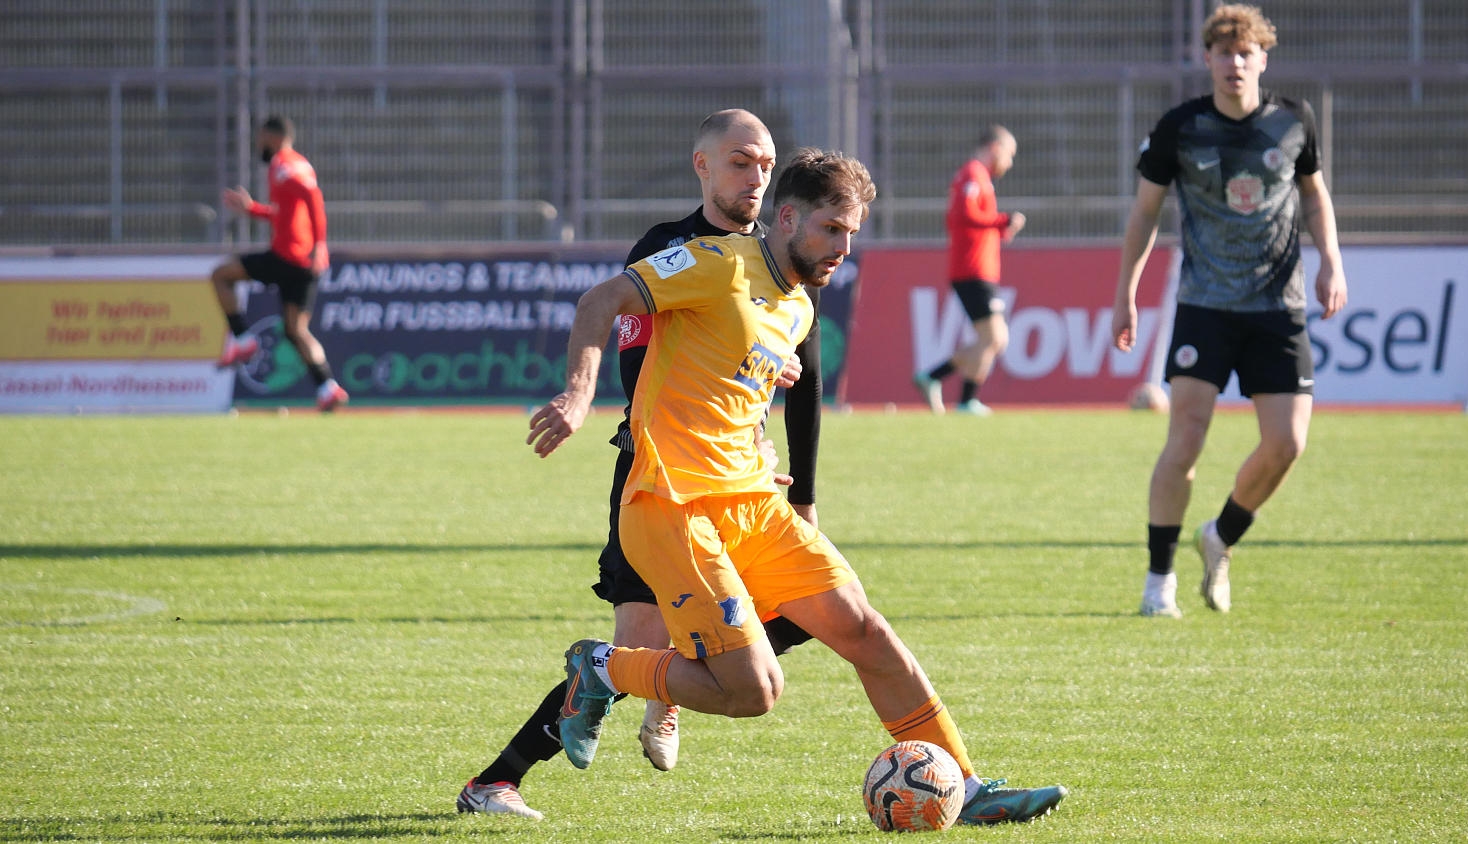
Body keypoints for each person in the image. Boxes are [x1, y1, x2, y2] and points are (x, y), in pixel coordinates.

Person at [528, 148, 1068, 825]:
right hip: (675, 508)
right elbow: (602, 299)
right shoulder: (714, 263)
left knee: (865, 630)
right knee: (755, 691)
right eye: (832, 229)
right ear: (786, 218)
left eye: (852, 234)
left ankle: (966, 782)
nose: (844, 246)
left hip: (755, 506)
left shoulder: (799, 309)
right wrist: (579, 395)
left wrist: (758, 447)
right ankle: (604, 668)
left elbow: (729, 388)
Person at [457, 109, 819, 818]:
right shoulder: (671, 247)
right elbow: (632, 350)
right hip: (665, 475)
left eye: (767, 165)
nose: (757, 178)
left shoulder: (781, 257)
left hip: (747, 482)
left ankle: (674, 684)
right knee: (635, 647)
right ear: (703, 166)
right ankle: (495, 783)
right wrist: (579, 395)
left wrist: (804, 492)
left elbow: (810, 377)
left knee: (811, 609)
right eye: (741, 162)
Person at [1110, 4, 1348, 618]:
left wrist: (1333, 262)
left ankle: (1219, 536)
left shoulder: (1295, 121)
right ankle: (1158, 579)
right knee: (1185, 438)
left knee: (1287, 444)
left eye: (1245, 53)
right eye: (1223, 52)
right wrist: (1126, 294)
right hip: (1205, 307)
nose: (1234, 63)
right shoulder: (1180, 127)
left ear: (1262, 59)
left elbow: (1315, 197)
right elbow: (1143, 214)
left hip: (1278, 305)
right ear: (1208, 59)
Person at [211, 115, 347, 413]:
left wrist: (320, 244)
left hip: (289, 257)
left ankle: (244, 340)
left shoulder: (283, 166)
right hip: (303, 262)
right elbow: (284, 213)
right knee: (296, 329)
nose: (258, 144)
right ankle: (328, 388)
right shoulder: (299, 163)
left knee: (221, 275)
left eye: (260, 138)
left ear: (271, 137)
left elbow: (313, 197)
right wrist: (253, 210)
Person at [913, 125, 1026, 416]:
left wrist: (998, 231)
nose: (1010, 163)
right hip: (972, 270)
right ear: (995, 148)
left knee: (994, 339)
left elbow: (971, 222)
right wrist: (1002, 221)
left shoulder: (981, 178)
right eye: (1009, 155)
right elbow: (963, 213)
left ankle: (961, 397)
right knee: (993, 338)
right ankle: (941, 383)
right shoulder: (973, 173)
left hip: (981, 269)